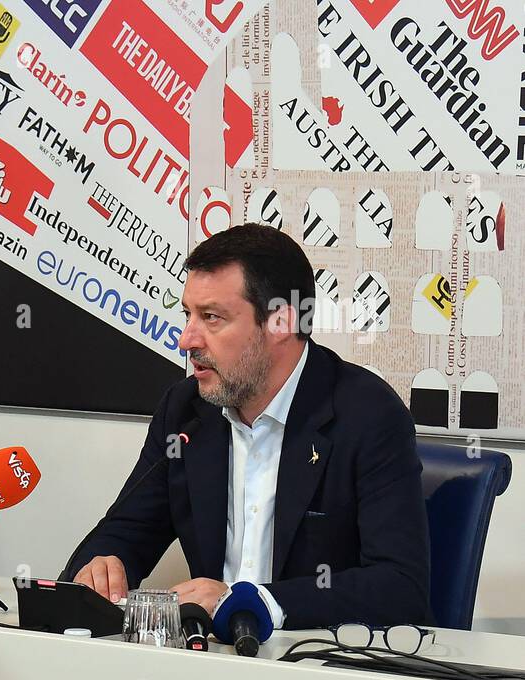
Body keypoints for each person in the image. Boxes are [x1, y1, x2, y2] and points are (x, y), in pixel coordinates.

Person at [61, 223, 432, 631]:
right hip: (211, 664)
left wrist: (252, 603)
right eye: (188, 314)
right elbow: (123, 532)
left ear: (281, 323)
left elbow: (400, 588)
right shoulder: (185, 411)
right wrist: (101, 567)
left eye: (212, 318)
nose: (186, 340)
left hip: (317, 669)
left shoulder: (367, 414)